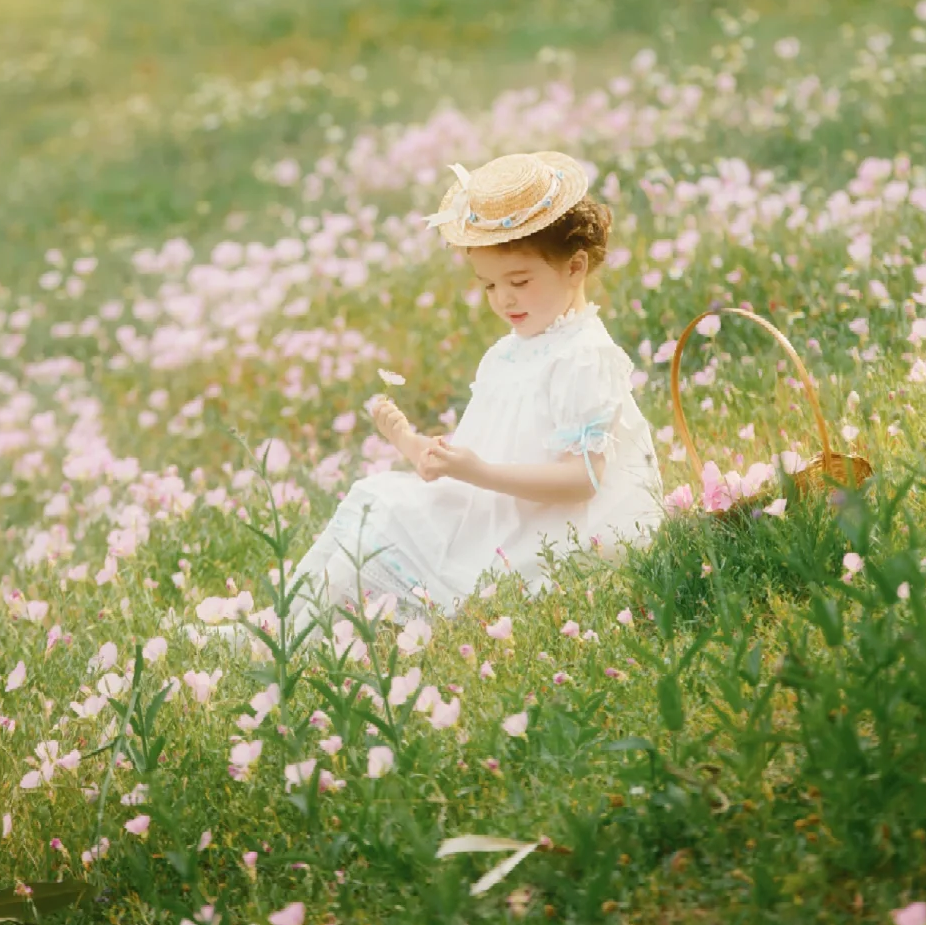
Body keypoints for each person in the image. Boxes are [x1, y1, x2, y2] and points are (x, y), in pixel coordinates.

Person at [249, 151, 665, 652]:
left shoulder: (583, 357)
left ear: (575, 268)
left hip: (560, 530)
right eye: (489, 285)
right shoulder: (508, 353)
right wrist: (418, 448)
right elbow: (480, 451)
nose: (503, 300)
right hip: (499, 504)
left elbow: (582, 481)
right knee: (376, 502)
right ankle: (286, 627)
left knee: (384, 511)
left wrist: (474, 471)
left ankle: (285, 636)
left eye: (519, 282)